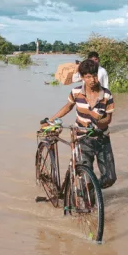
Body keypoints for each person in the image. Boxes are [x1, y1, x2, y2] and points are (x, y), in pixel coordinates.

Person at [44, 59, 117, 188]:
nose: (93, 80)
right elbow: (68, 107)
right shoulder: (76, 92)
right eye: (88, 77)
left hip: (102, 138)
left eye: (94, 75)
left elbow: (108, 119)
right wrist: (51, 120)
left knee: (110, 178)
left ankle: (94, 190)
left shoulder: (106, 94)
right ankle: (88, 197)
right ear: (83, 77)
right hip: (82, 138)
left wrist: (100, 121)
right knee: (84, 176)